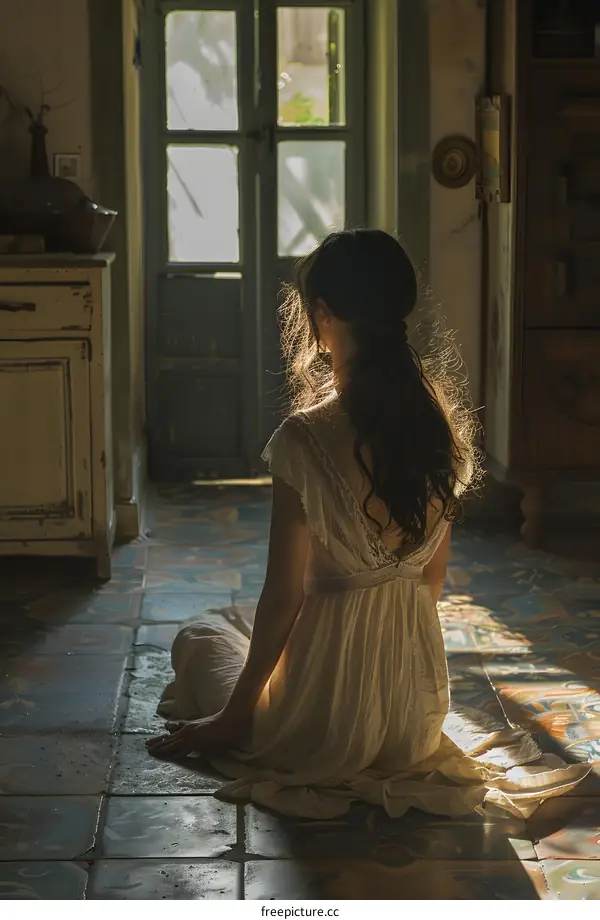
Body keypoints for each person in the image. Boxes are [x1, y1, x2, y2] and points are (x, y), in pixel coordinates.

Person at [147, 229, 588, 819]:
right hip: (411, 718)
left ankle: (257, 700)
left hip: (317, 719)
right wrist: (388, 674)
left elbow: (282, 598)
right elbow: (430, 583)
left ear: (323, 314)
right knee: (241, 621)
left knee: (204, 632)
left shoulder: (305, 439)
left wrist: (233, 720)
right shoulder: (443, 431)